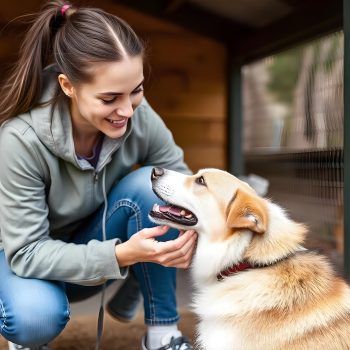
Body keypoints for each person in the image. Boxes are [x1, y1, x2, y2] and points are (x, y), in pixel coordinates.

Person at [0, 1, 198, 350]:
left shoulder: (137, 113)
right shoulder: (19, 140)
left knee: (162, 187)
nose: (126, 110)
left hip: (97, 246)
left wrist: (187, 235)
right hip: (29, 263)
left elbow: (183, 182)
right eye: (109, 98)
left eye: (136, 90)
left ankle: (164, 336)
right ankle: (25, 319)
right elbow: (28, 252)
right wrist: (123, 255)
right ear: (68, 86)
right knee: (34, 318)